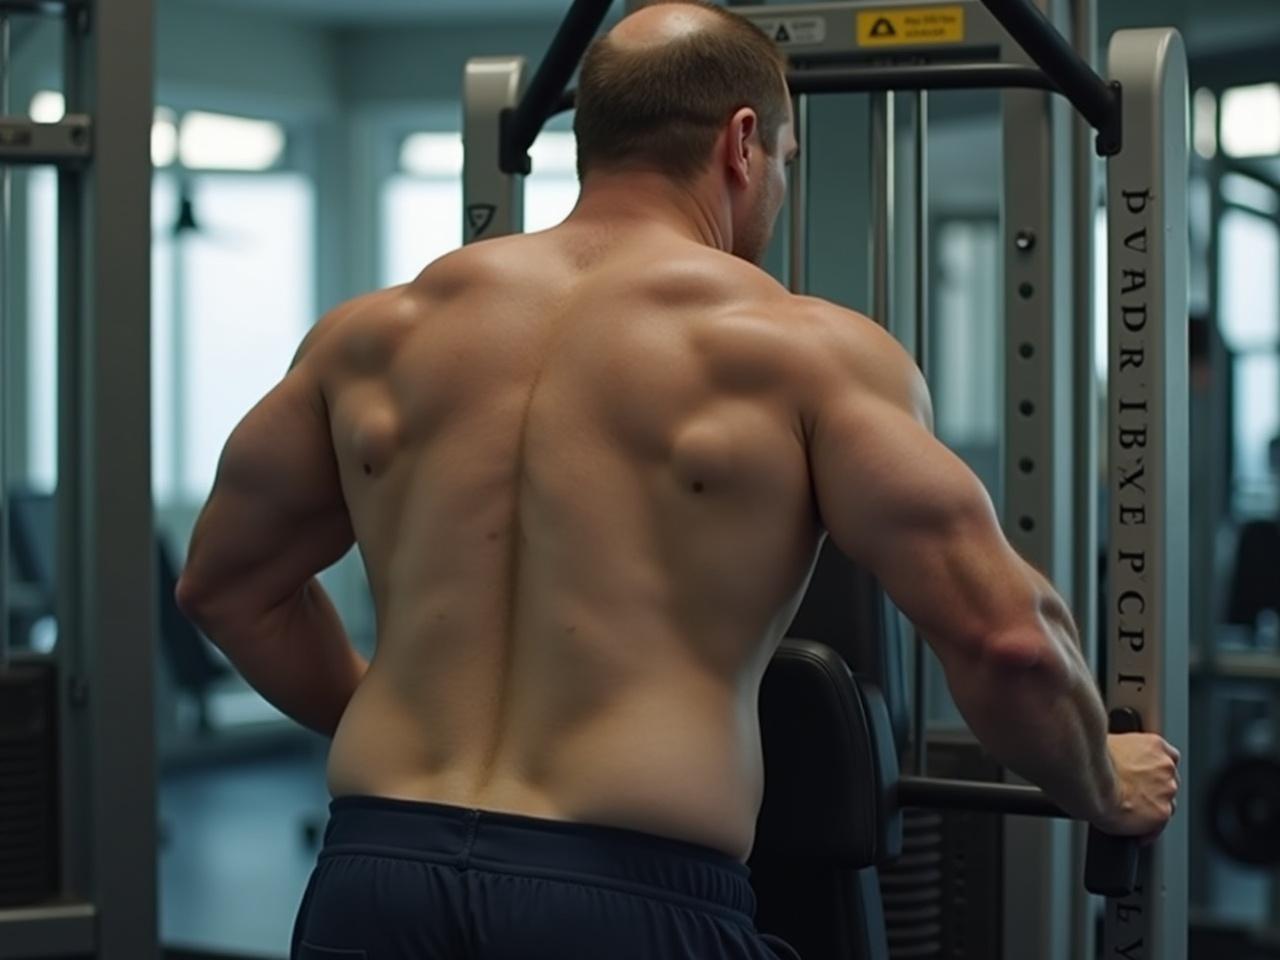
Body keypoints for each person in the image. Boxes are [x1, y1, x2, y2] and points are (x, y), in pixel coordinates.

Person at [175, 3, 1181, 958]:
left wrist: (388, 721)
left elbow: (223, 586)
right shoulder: (800, 351)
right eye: (783, 162)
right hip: (626, 892)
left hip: (370, 874)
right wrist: (1101, 781)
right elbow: (1007, 643)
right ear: (741, 144)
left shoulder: (373, 334)